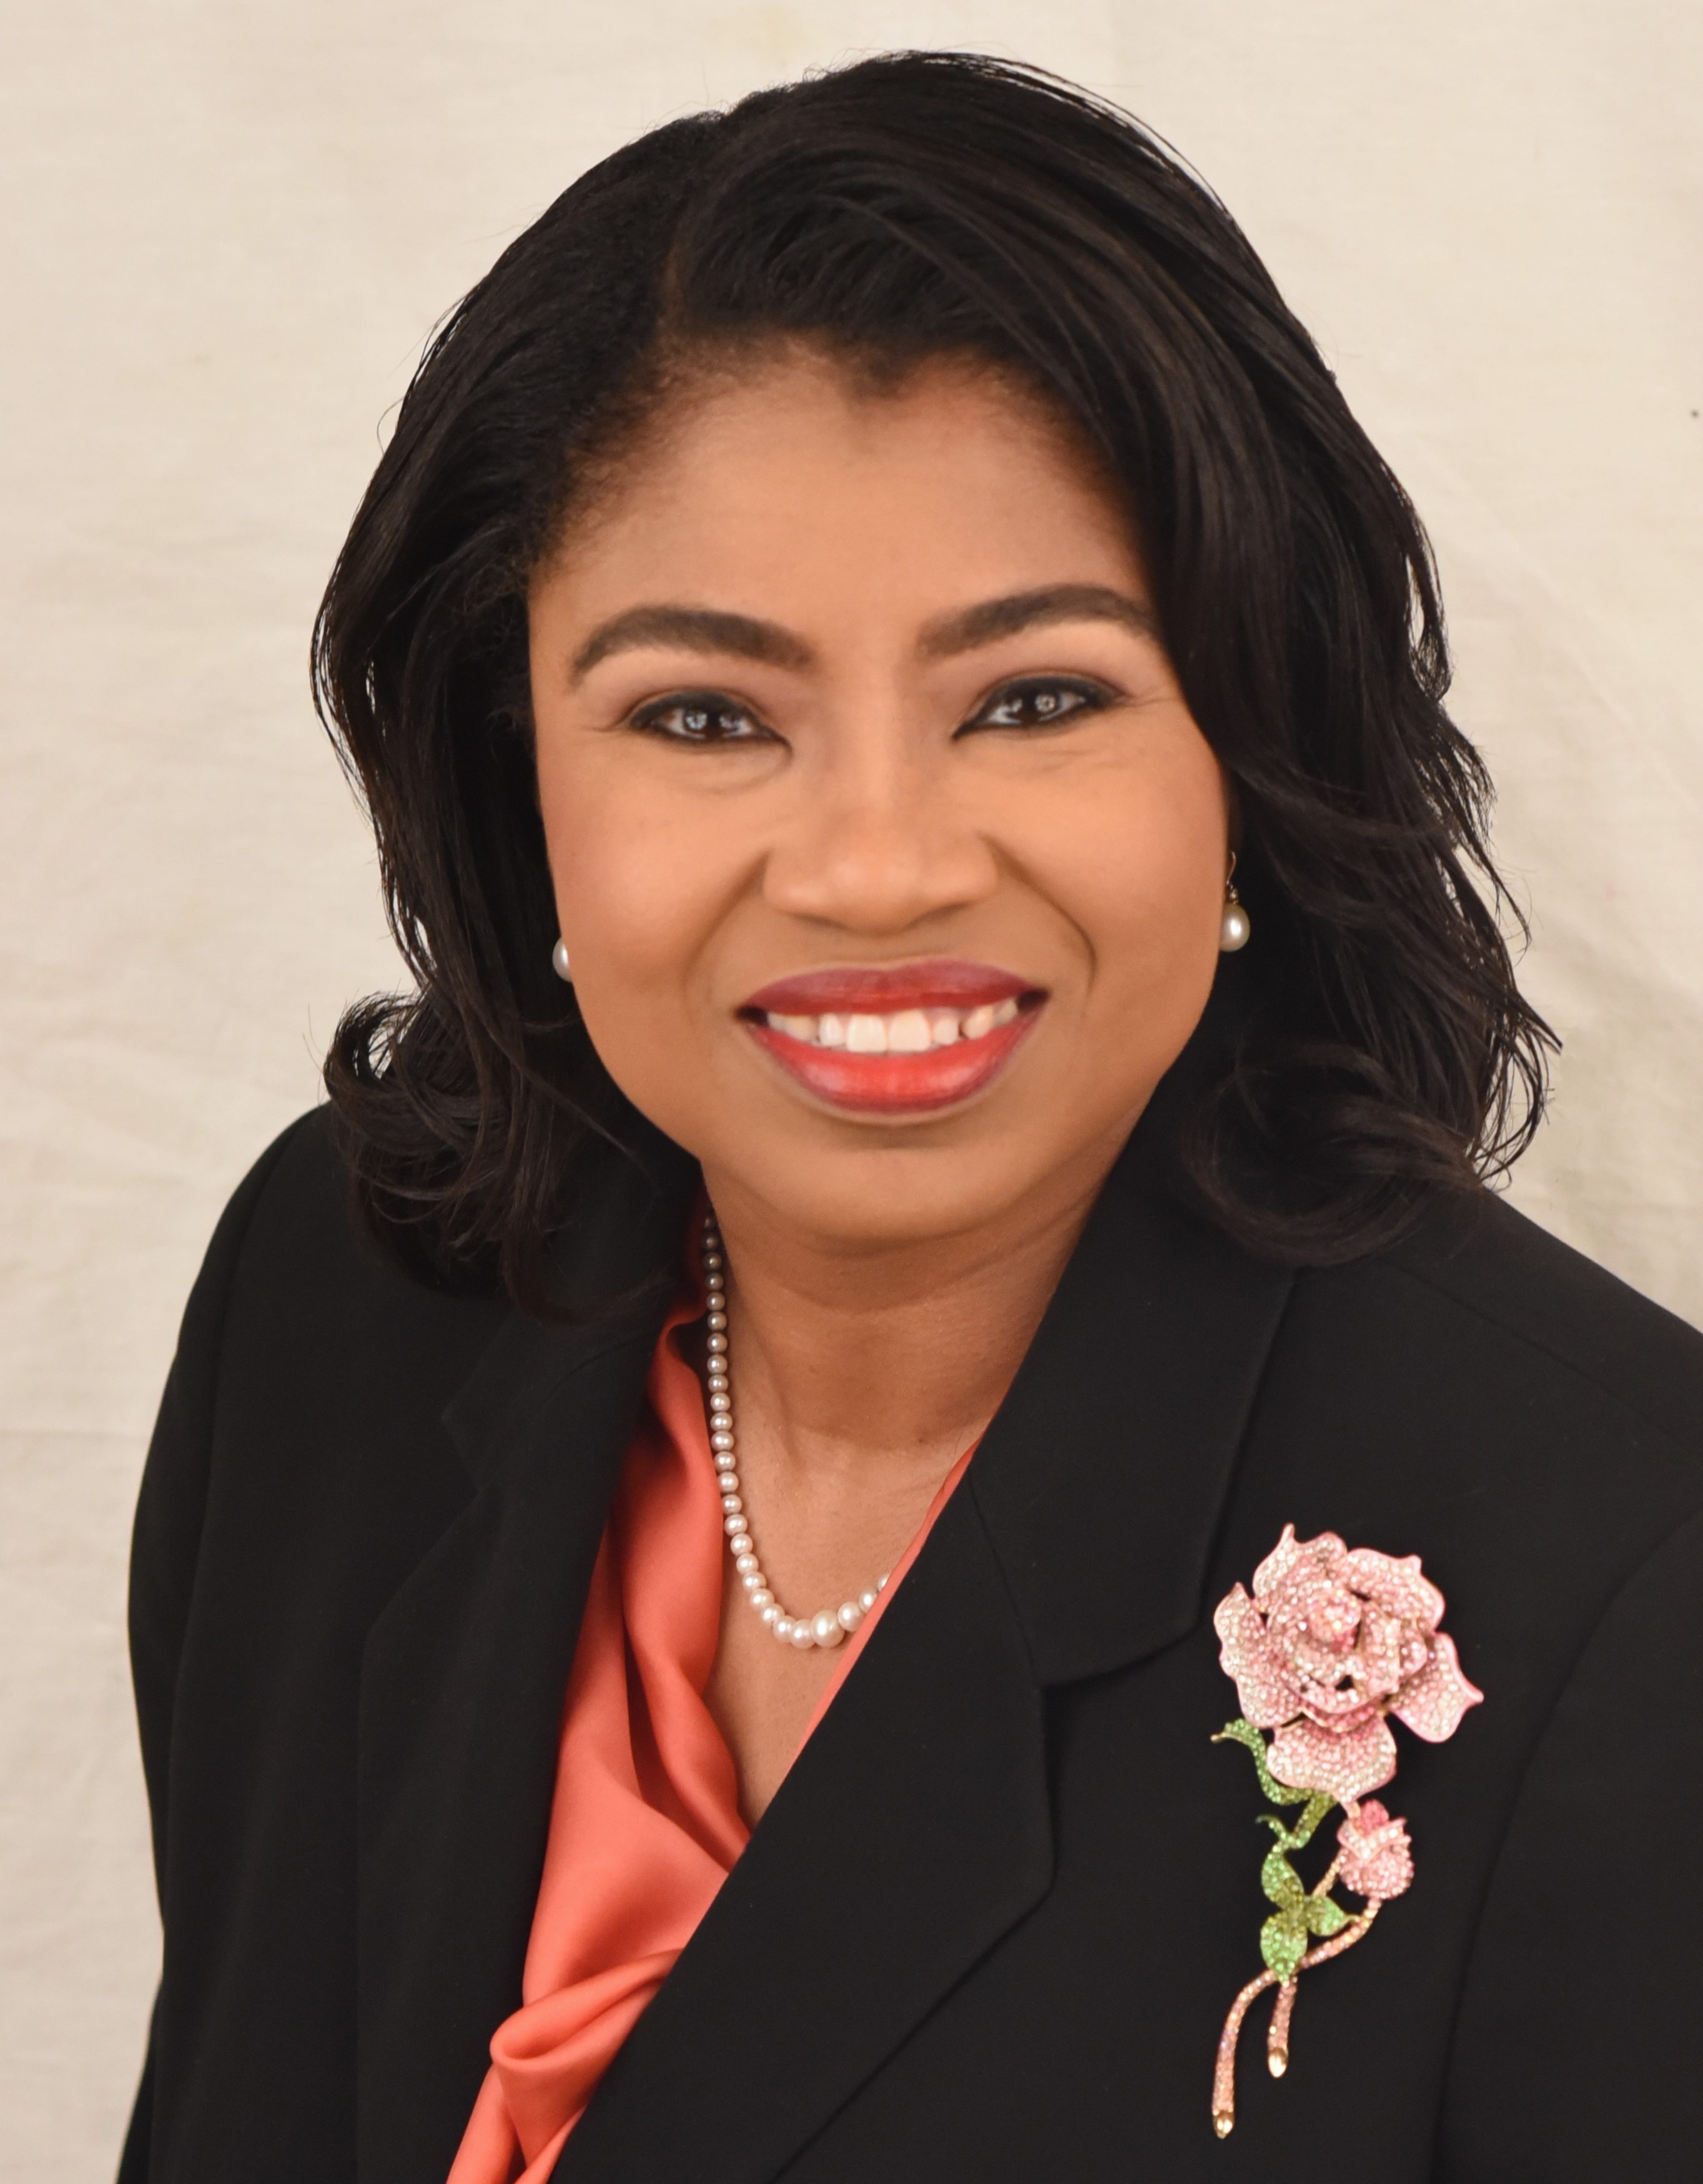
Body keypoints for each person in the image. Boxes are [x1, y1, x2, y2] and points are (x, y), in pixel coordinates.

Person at [118, 52, 1701, 2184]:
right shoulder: (340, 1298)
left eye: (1035, 698)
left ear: (1250, 751)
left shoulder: (1634, 1586)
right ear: (517, 781)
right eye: (703, 713)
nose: (875, 870)